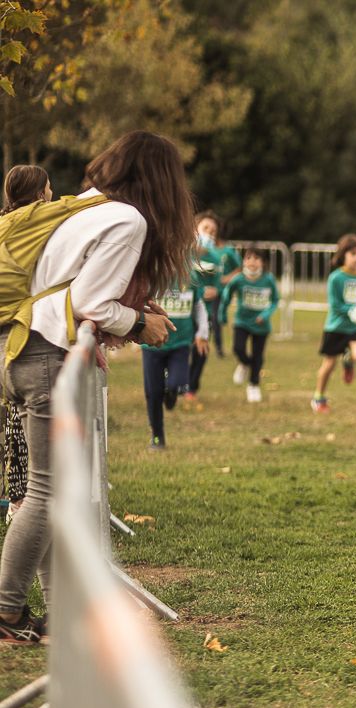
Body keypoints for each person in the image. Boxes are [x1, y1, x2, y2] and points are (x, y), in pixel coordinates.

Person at [0, 130, 192, 644]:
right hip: (43, 354)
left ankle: (54, 611)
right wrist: (138, 324)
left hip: (27, 350)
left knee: (50, 493)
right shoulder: (128, 219)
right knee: (46, 493)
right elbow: (91, 301)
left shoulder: (90, 207)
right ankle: (6, 610)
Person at [0, 165, 52, 521]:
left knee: (11, 420)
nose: (52, 193)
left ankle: (16, 500)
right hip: (19, 336)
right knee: (20, 422)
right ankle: (22, 502)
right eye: (48, 188)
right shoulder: (37, 224)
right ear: (38, 194)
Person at [311, 234, 356, 413]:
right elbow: (335, 305)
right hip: (336, 327)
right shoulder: (336, 278)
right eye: (353, 254)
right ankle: (319, 398)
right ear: (343, 256)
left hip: (355, 328)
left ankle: (348, 360)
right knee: (328, 365)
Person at [141, 273, 208, 448]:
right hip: (152, 345)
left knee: (177, 385)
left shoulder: (190, 276)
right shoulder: (150, 274)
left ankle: (171, 392)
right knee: (154, 393)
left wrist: (203, 332)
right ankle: (157, 436)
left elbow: (199, 306)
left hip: (181, 343)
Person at [220, 248, 280, 403]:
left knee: (258, 356)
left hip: (261, 325)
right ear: (244, 261)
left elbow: (275, 301)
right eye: (248, 258)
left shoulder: (268, 279)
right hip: (242, 322)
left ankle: (253, 385)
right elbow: (226, 296)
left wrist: (265, 315)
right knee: (238, 349)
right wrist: (222, 313)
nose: (252, 261)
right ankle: (245, 364)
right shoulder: (238, 279)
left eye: (256, 258)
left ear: (263, 262)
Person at [193, 210, 241, 360]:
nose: (209, 233)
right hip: (187, 309)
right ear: (195, 229)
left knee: (215, 322)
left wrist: (221, 284)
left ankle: (218, 348)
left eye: (213, 231)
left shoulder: (220, 255)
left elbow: (238, 269)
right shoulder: (181, 254)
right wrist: (199, 292)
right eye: (206, 228)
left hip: (210, 304)